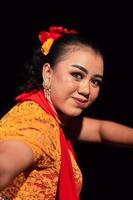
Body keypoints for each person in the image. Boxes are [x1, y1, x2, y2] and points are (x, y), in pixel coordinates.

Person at [0, 25, 132, 200]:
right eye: (77, 75)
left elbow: (100, 130)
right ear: (48, 72)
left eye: (96, 82)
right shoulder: (38, 125)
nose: (86, 90)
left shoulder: (54, 117)